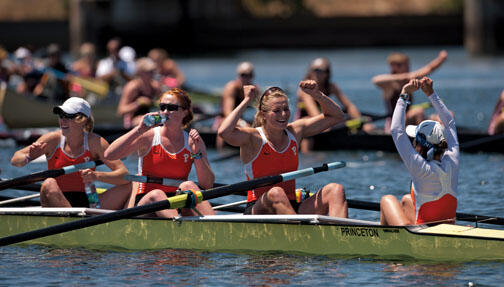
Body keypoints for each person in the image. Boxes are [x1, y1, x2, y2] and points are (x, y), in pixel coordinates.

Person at [218, 80, 348, 217]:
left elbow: (337, 116)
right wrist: (246, 100)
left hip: (291, 205)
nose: (284, 115)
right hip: (259, 208)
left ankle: (342, 236)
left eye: (286, 109)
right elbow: (223, 132)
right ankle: (299, 232)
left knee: (335, 190)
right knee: (276, 192)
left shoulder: (295, 131)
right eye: (277, 111)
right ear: (263, 115)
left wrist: (317, 94)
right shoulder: (253, 137)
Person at [104, 88, 216, 217]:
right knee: (157, 194)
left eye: (171, 108)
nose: (165, 112)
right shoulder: (149, 136)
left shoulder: (193, 141)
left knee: (189, 185)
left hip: (175, 202)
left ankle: (218, 228)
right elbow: (109, 155)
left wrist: (197, 154)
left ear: (184, 112)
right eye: (162, 107)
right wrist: (138, 130)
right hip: (145, 204)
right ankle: (180, 227)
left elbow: (207, 185)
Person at [10, 97, 131, 209]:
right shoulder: (52, 140)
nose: (62, 120)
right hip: (55, 199)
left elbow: (125, 176)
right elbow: (15, 161)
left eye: (68, 116)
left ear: (83, 120)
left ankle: (129, 225)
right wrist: (28, 156)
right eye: (61, 115)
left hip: (89, 198)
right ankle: (77, 222)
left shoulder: (95, 142)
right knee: (48, 183)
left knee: (131, 185)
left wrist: (97, 176)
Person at [380, 77, 459, 226]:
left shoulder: (420, 168)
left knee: (387, 200)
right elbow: (450, 123)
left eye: (414, 139)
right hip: (447, 226)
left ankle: (383, 243)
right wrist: (431, 93)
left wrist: (404, 94)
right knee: (406, 199)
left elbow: (396, 130)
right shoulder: (453, 159)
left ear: (420, 145)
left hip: (424, 232)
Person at [296, 57, 373, 152]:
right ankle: (307, 154)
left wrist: (361, 122)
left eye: (320, 71)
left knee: (348, 117)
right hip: (307, 124)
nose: (316, 73)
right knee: (308, 124)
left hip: (324, 123)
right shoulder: (304, 89)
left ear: (327, 74)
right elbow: (314, 114)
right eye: (314, 70)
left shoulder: (331, 87)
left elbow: (349, 106)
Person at [372, 50, 448, 133]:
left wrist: (441, 59)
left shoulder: (409, 79)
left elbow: (430, 68)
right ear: (395, 67)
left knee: (444, 116)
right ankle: (424, 141)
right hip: (394, 125)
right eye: (406, 65)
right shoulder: (389, 85)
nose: (409, 67)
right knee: (418, 111)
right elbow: (375, 80)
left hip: (408, 121)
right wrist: (404, 77)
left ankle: (444, 139)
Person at [213, 61, 257, 149]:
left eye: (249, 75)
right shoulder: (231, 88)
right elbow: (228, 113)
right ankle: (221, 150)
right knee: (224, 125)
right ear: (238, 75)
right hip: (224, 120)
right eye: (243, 75)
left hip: (239, 120)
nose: (246, 78)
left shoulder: (254, 89)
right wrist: (243, 124)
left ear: (253, 76)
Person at [117, 57, 161, 129]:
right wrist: (138, 103)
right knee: (147, 120)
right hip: (132, 122)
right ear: (140, 72)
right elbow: (121, 111)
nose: (152, 74)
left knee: (165, 119)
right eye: (148, 72)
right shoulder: (132, 87)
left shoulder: (155, 87)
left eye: (153, 71)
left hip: (150, 118)